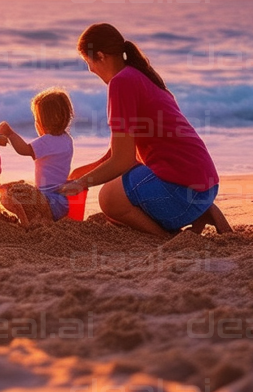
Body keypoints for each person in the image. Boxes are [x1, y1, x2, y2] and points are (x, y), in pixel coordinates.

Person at [58, 24, 231, 238]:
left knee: (109, 199)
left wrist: (81, 184)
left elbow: (123, 160)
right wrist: (81, 174)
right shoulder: (140, 76)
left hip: (183, 192)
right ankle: (203, 212)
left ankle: (167, 238)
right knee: (118, 204)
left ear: (100, 56)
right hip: (205, 186)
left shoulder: (121, 82)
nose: (90, 70)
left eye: (88, 62)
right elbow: (117, 153)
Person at [0, 87, 75, 225]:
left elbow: (24, 149)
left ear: (41, 123)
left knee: (7, 196)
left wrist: (10, 134)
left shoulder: (46, 141)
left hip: (47, 201)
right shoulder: (67, 140)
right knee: (21, 186)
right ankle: (41, 219)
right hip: (62, 203)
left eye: (36, 119)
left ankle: (27, 221)